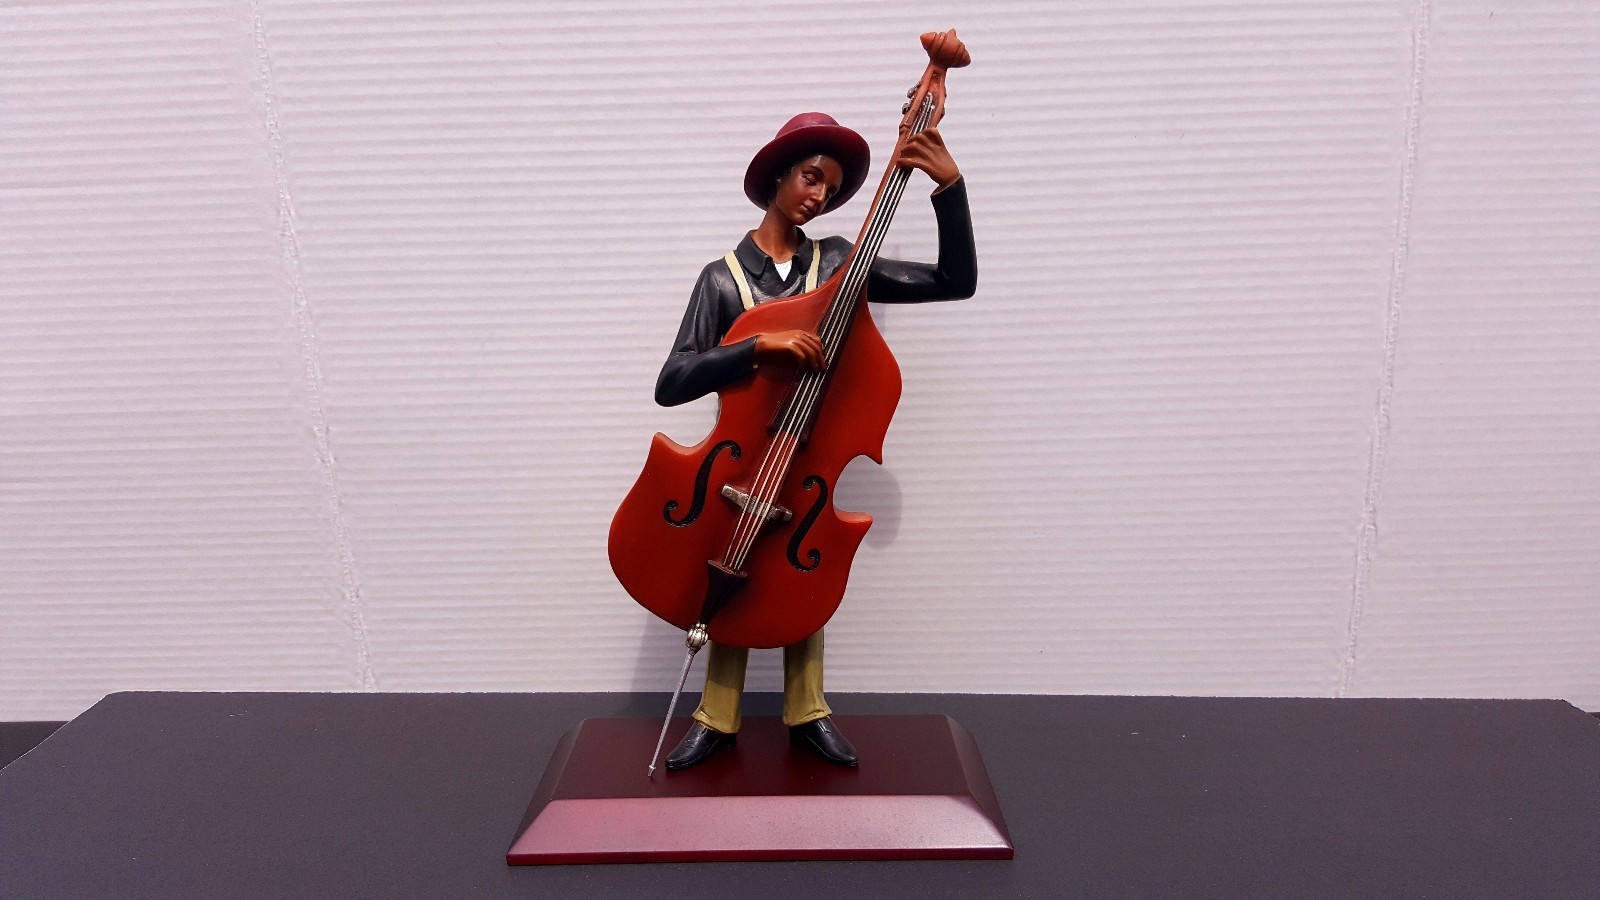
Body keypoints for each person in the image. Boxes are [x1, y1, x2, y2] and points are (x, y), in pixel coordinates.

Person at [654, 111, 977, 770]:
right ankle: (716, 716)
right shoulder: (721, 279)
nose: (819, 196)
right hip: (739, 464)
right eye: (809, 177)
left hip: (806, 467)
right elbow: (673, 381)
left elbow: (955, 281)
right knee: (731, 559)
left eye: (829, 187)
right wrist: (756, 347)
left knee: (802, 573)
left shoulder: (836, 264)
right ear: (777, 175)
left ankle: (807, 712)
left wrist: (950, 188)